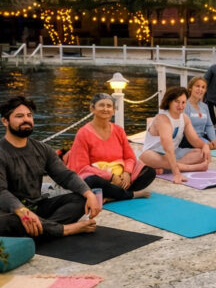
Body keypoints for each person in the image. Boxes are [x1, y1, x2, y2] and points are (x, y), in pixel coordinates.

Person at [0, 95, 101, 240]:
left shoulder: (42, 149)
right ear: (5, 121)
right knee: (13, 222)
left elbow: (65, 175)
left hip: (36, 207)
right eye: (19, 116)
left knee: (79, 200)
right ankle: (64, 230)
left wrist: (89, 194)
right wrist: (20, 210)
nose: (26, 120)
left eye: (29, 115)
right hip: (9, 212)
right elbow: (1, 191)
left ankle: (42, 230)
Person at [67, 93, 156, 202]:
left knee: (149, 172)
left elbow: (130, 157)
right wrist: (111, 176)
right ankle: (130, 194)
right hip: (98, 176)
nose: (105, 109)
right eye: (101, 105)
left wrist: (127, 173)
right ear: (92, 108)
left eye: (109, 106)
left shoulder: (118, 130)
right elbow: (82, 167)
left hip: (120, 174)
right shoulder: (83, 133)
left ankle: (111, 197)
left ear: (114, 110)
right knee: (92, 181)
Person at [139, 86, 211, 184]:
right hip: (154, 154)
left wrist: (205, 146)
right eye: (177, 102)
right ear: (169, 102)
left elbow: (194, 140)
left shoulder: (184, 118)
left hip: (174, 153)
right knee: (147, 156)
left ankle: (164, 168)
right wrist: (177, 174)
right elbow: (168, 149)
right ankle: (192, 167)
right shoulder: (163, 119)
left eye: (183, 102)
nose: (180, 106)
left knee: (201, 153)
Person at [183, 76, 216, 150]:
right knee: (184, 140)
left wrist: (214, 139)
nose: (200, 89)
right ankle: (205, 145)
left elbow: (209, 125)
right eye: (197, 86)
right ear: (190, 88)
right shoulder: (185, 105)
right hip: (187, 137)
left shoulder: (204, 106)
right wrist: (203, 141)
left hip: (202, 135)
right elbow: (184, 130)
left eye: (203, 87)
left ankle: (209, 144)